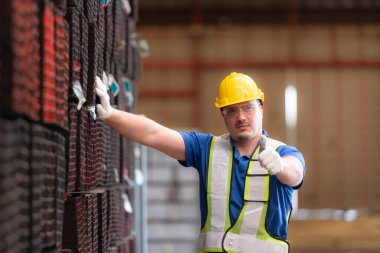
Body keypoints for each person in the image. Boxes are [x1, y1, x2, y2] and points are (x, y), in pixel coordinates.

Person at [95, 72, 305, 253]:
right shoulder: (207, 148)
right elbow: (153, 133)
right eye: (231, 110)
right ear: (223, 114)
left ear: (261, 108)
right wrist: (110, 114)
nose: (241, 117)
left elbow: (295, 172)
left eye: (247, 107)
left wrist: (281, 166)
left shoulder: (282, 153)